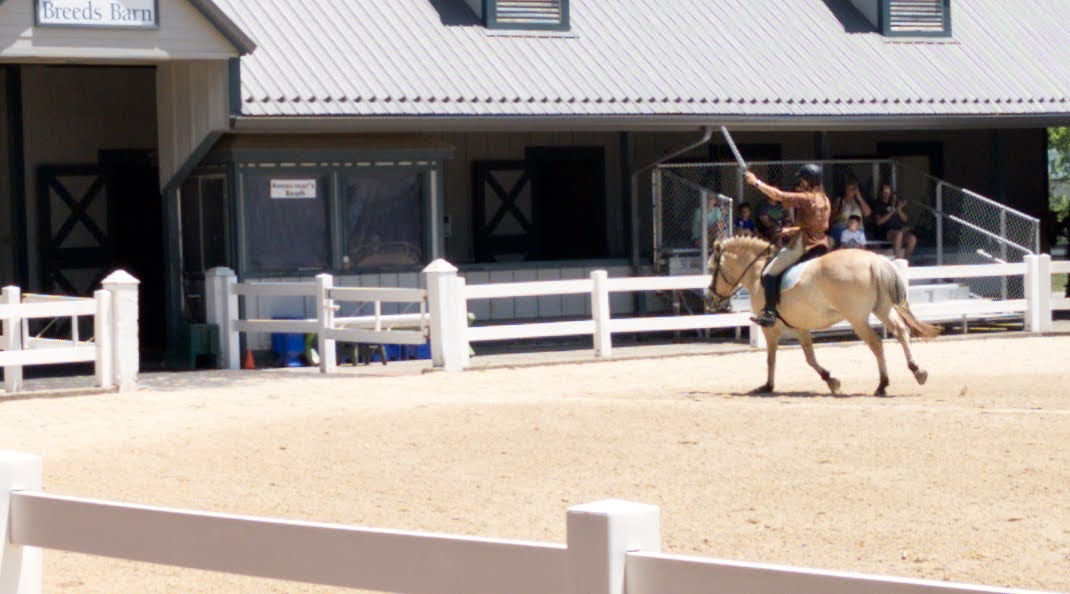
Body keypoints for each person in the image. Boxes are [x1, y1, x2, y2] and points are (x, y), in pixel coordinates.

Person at [744, 163, 832, 327]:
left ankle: (769, 312)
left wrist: (756, 182)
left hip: (805, 244)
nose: (801, 183)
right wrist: (792, 230)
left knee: (769, 273)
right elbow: (817, 225)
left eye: (802, 180)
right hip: (822, 244)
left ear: (807, 181)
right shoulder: (825, 200)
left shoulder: (806, 198)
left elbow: (778, 195)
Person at [873, 182, 917, 260]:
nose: (886, 193)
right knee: (899, 234)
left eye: (888, 191)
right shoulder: (878, 204)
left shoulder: (896, 203)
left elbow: (905, 219)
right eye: (884, 191)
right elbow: (879, 222)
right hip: (886, 231)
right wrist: (892, 210)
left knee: (912, 238)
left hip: (900, 230)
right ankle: (897, 259)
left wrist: (899, 209)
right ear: (881, 192)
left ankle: (905, 260)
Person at [829, 179, 872, 247]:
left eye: (854, 188)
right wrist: (840, 211)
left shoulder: (858, 201)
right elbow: (832, 218)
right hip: (842, 230)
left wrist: (859, 197)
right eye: (850, 188)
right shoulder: (839, 201)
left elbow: (867, 213)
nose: (852, 190)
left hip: (858, 231)